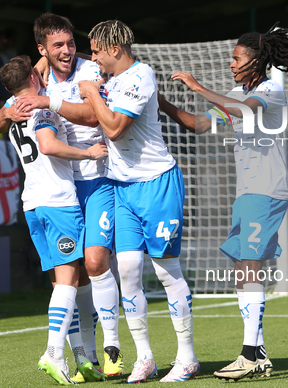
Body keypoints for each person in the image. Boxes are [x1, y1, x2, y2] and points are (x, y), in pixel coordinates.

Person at [156, 24, 288, 381]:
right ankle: (260, 353)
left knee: (250, 265)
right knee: (243, 267)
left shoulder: (270, 91)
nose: (231, 63)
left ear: (257, 60)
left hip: (266, 190)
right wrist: (161, 104)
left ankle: (249, 354)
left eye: (237, 57)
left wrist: (197, 87)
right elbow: (199, 125)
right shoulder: (236, 92)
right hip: (247, 191)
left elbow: (244, 111)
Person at [0, 13, 123, 380]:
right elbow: (44, 143)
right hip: (60, 194)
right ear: (42, 54)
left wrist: (27, 104)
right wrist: (86, 152)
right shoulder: (37, 94)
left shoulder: (85, 72)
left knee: (87, 270)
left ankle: (95, 352)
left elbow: (93, 117)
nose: (66, 51)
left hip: (49, 196)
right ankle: (63, 353)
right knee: (69, 279)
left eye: (70, 43)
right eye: (57, 46)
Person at [79, 19, 199, 383]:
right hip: (122, 188)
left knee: (165, 271)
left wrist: (92, 92)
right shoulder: (110, 79)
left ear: (116, 49)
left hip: (157, 184)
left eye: (98, 51)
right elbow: (82, 73)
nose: (94, 59)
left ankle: (188, 357)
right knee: (127, 272)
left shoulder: (141, 75)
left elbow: (114, 128)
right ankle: (145, 357)